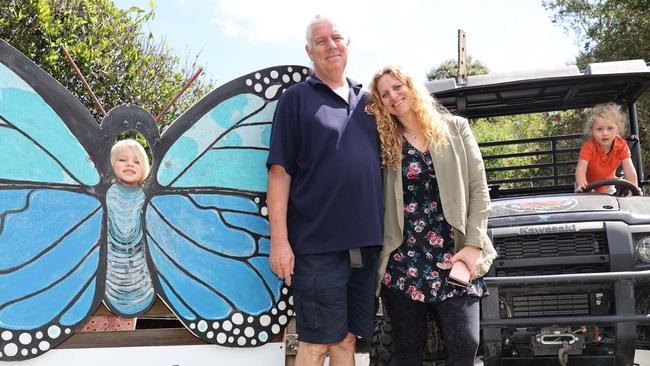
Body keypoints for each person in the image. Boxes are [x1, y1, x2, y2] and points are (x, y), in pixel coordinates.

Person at [266, 15, 383, 366]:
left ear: (348, 43)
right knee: (316, 343)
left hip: (367, 244)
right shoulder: (295, 100)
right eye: (321, 41)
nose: (331, 45)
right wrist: (279, 242)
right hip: (317, 248)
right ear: (309, 52)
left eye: (337, 38)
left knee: (347, 340)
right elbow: (279, 173)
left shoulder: (371, 102)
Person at [368, 65, 497, 366]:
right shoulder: (385, 143)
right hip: (403, 261)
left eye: (397, 87)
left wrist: (474, 245)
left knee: (465, 344)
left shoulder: (455, 128)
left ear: (411, 86)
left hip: (454, 254)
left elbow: (479, 190)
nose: (393, 96)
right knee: (408, 352)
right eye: (384, 94)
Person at [81, 138, 151, 332]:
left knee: (122, 330)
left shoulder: (148, 196)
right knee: (90, 329)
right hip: (106, 269)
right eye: (123, 159)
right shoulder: (104, 194)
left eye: (136, 161)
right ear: (111, 165)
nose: (130, 164)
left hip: (135, 278)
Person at [575, 103, 638, 193]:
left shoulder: (621, 145)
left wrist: (633, 190)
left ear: (617, 129)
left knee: (612, 201)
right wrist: (581, 184)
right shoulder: (588, 147)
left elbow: (630, 171)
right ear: (592, 131)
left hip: (608, 186)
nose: (605, 133)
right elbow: (580, 169)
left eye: (610, 128)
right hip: (587, 186)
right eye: (599, 129)